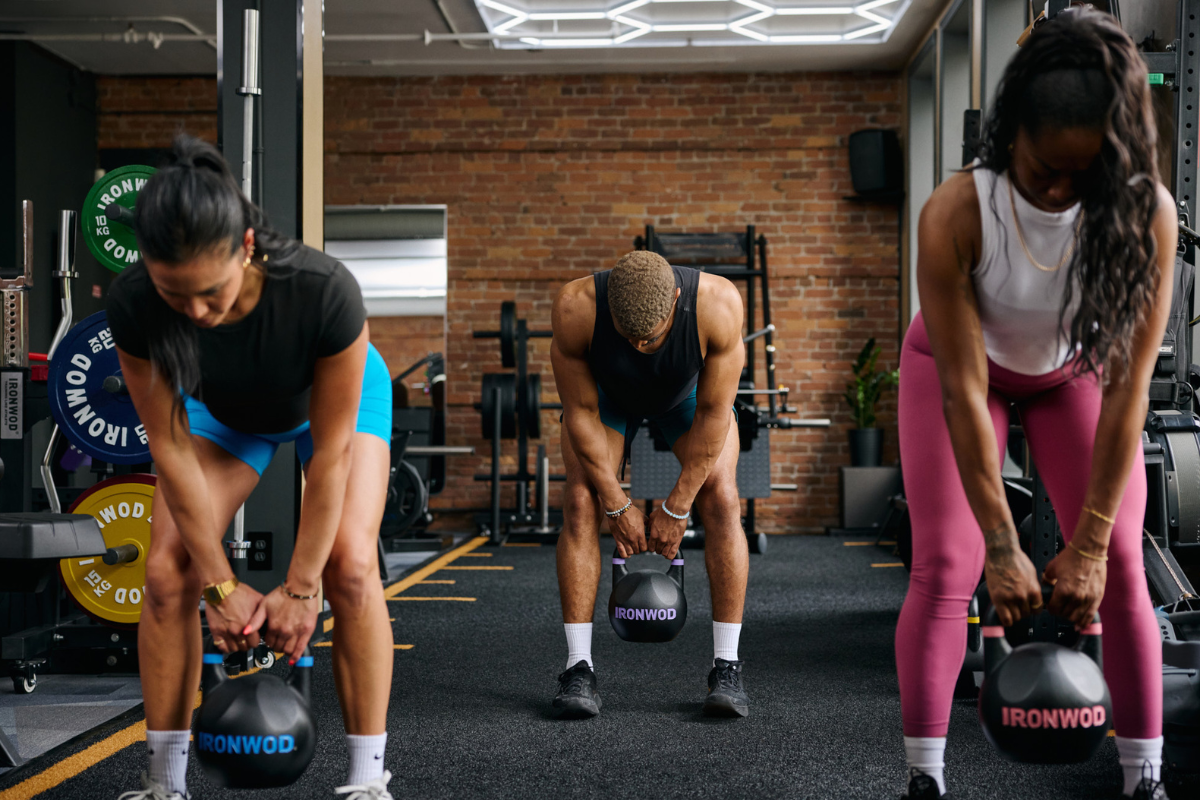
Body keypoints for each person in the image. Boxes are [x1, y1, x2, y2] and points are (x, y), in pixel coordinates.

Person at [897, 9, 1174, 800]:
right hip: (958, 371)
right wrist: (1001, 544)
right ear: (1010, 133)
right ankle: (925, 780)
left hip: (1071, 375)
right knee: (947, 565)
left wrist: (1088, 545)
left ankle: (1144, 779)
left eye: (1080, 176)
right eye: (1042, 168)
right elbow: (962, 390)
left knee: (1121, 563)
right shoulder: (957, 211)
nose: (1056, 190)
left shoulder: (1147, 214)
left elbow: (1127, 390)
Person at [110, 136, 395, 800]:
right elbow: (170, 450)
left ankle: (366, 780)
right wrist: (219, 586)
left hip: (333, 405)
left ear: (244, 247)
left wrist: (299, 589)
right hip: (222, 414)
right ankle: (163, 782)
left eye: (210, 293)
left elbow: (330, 457)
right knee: (167, 570)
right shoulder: (134, 303)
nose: (195, 314)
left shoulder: (323, 292)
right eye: (174, 295)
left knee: (351, 566)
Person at [549, 250, 748, 718]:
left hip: (686, 399)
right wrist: (616, 504)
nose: (639, 346)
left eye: (651, 337)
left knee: (721, 496)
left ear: (676, 298)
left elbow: (715, 413)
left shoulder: (717, 304)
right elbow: (580, 411)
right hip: (606, 399)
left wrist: (678, 508)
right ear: (609, 309)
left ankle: (727, 666)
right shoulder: (576, 307)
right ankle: (578, 668)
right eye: (628, 336)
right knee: (580, 499)